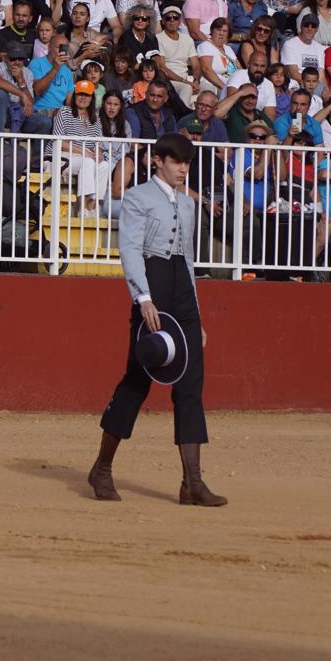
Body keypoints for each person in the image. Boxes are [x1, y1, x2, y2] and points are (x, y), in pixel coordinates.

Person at [88, 132, 225, 508]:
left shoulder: (188, 204)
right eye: (177, 162)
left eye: (187, 163)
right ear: (158, 162)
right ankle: (102, 468)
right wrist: (142, 297)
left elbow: (190, 262)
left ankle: (192, 482)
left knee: (191, 384)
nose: (183, 169)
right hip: (153, 286)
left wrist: (196, 316)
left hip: (181, 290)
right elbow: (129, 248)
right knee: (138, 378)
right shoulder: (136, 197)